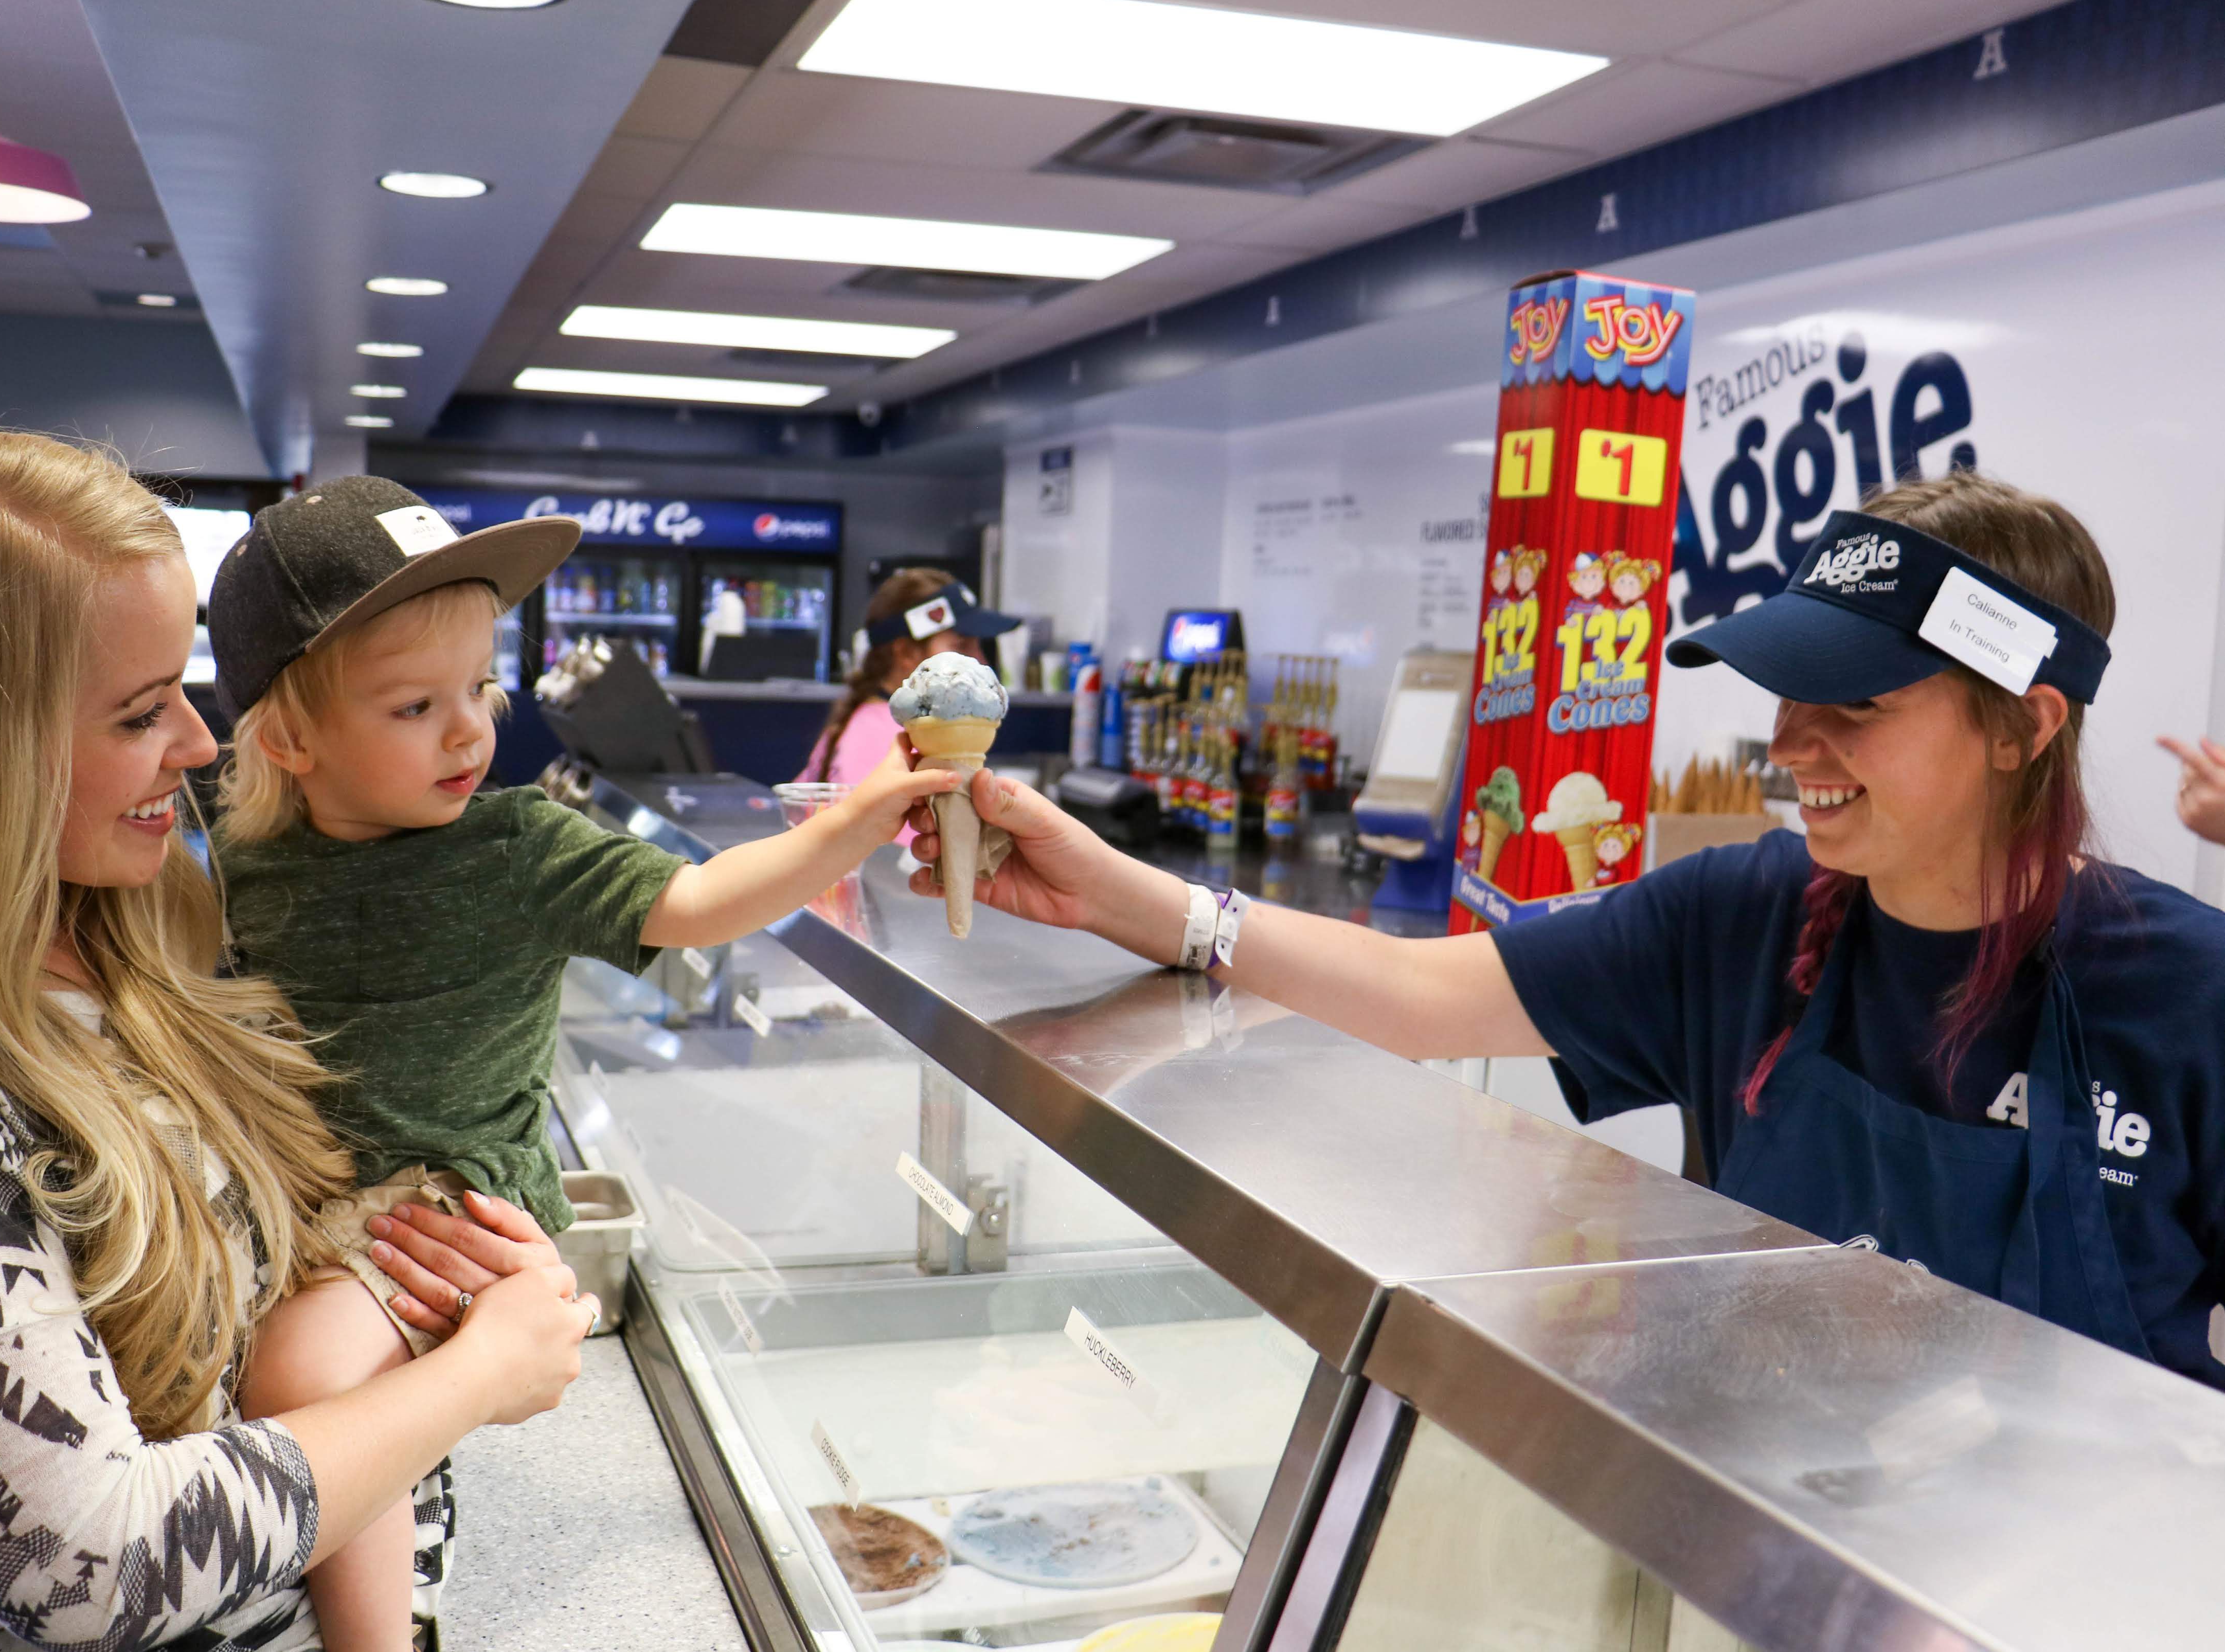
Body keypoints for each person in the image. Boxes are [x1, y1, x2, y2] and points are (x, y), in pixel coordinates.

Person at [909, 473, 2225, 1390]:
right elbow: (1421, 998)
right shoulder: (1744, 915)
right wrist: (1116, 891)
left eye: (1856, 703)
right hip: (1788, 1536)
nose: (1790, 747)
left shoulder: (2184, 989)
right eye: (1783, 695)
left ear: (2023, 724)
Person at [0, 428, 597, 1651]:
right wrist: (474, 1376)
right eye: (138, 712)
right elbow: (85, 1573)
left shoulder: (134, 919)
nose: (194, 743)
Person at [203, 478, 956, 1646]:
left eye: (481, 689)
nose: (470, 731)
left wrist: (846, 825)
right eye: (414, 705)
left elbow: (698, 901)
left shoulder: (519, 845)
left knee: (305, 1380)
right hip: (287, 1197)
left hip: (444, 1201)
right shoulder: (233, 867)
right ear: (288, 735)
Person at [803, 568, 1020, 785]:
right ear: (906, 653)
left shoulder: (887, 725)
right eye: (961, 646)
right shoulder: (882, 741)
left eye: (978, 646)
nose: (981, 661)